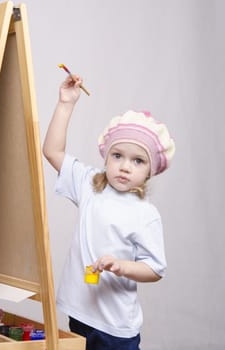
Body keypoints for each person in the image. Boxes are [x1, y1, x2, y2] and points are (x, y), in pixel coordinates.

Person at [43, 75, 175, 350]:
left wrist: (121, 266)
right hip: (79, 315)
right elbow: (52, 151)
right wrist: (65, 104)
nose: (125, 166)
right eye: (118, 156)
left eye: (137, 160)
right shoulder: (90, 185)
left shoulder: (145, 214)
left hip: (115, 328)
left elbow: (154, 268)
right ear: (106, 157)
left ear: (150, 170)